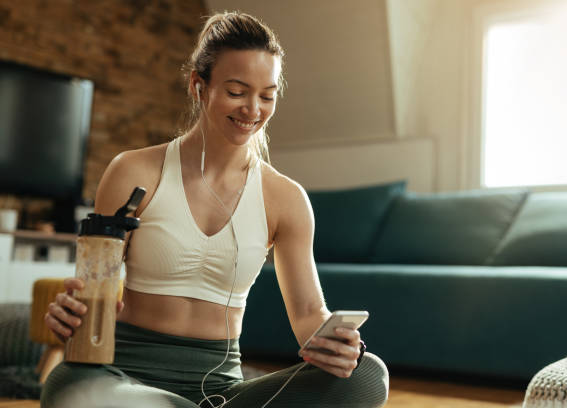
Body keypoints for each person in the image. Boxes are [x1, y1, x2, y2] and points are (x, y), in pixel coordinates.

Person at [41, 11, 389, 408]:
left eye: (267, 95)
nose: (252, 109)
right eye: (237, 92)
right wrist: (70, 317)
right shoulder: (133, 172)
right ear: (198, 85)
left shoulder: (286, 198)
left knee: (367, 376)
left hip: (221, 391)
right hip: (120, 379)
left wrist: (340, 345)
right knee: (72, 387)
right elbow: (93, 289)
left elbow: (310, 313)